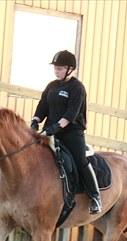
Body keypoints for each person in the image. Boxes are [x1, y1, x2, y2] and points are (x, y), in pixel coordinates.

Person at [30, 50, 102, 214]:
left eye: (60, 68)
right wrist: (36, 120)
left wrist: (55, 127)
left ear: (70, 69)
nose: (57, 71)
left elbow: (71, 114)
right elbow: (43, 106)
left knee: (80, 160)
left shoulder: (77, 88)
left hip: (71, 132)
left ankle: (95, 197)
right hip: (50, 131)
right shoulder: (52, 86)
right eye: (55, 68)